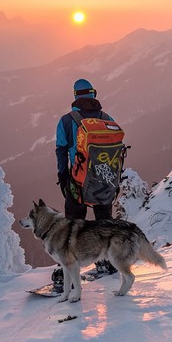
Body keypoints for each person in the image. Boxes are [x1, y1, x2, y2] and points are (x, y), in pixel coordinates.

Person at [51, 78, 118, 291]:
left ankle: (67, 271)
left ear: (75, 97)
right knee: (104, 222)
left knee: (73, 225)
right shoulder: (107, 119)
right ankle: (108, 260)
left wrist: (63, 176)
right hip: (104, 179)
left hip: (77, 180)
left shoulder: (67, 120)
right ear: (93, 94)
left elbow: (61, 149)